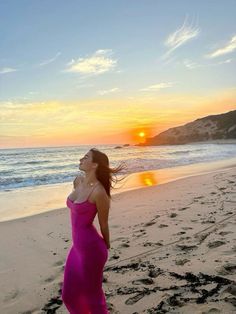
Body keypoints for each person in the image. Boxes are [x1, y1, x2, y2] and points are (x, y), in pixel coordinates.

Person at [61, 147, 126, 313]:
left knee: (93, 297)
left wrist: (107, 245)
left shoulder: (99, 192)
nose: (80, 160)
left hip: (92, 250)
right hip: (76, 249)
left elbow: (103, 224)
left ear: (95, 165)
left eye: (85, 157)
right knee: (69, 295)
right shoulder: (78, 181)